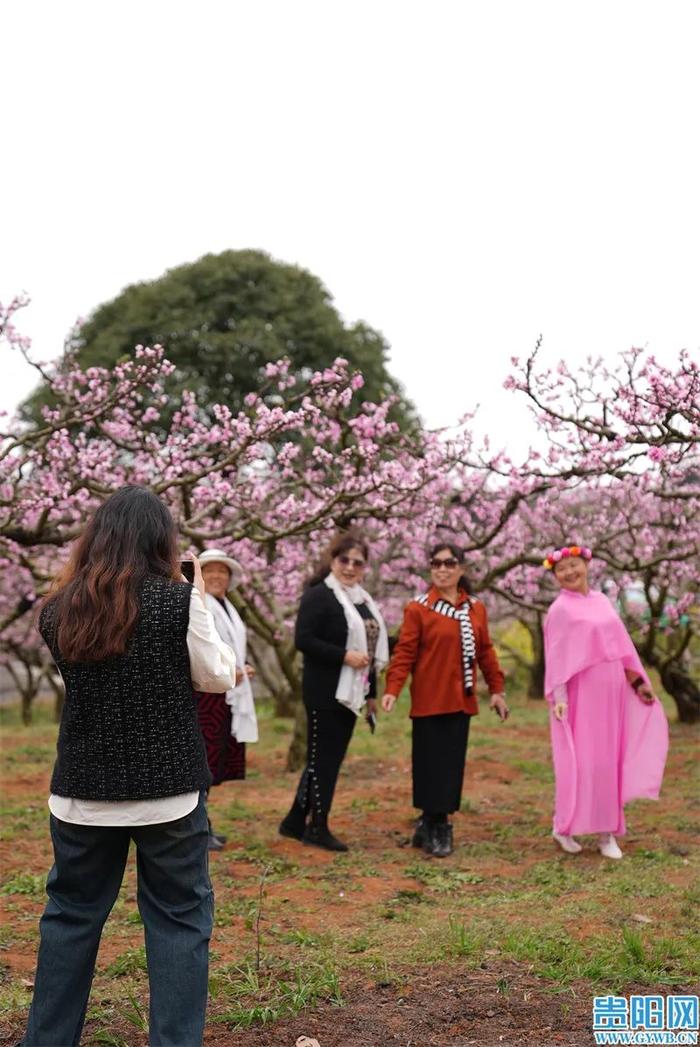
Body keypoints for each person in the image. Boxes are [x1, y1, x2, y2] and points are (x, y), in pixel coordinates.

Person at [21, 486, 236, 1047]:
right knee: (179, 922)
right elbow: (217, 675)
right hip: (168, 793)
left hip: (83, 792)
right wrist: (193, 597)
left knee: (70, 919)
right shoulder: (180, 601)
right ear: (160, 542)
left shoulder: (58, 610)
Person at [381, 542, 509, 857]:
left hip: (461, 700)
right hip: (428, 699)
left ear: (461, 569)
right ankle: (434, 823)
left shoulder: (476, 608)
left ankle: (434, 823)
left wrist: (496, 689)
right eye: (436, 564)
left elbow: (485, 651)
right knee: (428, 765)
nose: (442, 569)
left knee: (451, 765)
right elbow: (405, 652)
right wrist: (392, 689)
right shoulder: (418, 608)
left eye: (449, 563)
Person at [542, 544, 669, 859]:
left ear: (586, 565)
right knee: (581, 761)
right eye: (562, 570)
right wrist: (559, 697)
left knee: (609, 760)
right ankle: (564, 826)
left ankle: (606, 832)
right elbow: (556, 656)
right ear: (555, 576)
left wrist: (637, 681)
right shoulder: (559, 609)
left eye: (575, 566)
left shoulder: (602, 601)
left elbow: (621, 646)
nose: (570, 573)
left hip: (611, 690)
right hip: (579, 692)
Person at [279, 532, 389, 852]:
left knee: (325, 760)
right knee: (323, 762)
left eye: (358, 562)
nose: (350, 567)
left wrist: (371, 694)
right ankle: (317, 827)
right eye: (344, 560)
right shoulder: (320, 595)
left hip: (353, 693)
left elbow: (369, 649)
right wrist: (344, 656)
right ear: (332, 560)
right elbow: (304, 640)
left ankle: (295, 821)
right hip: (325, 692)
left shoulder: (362, 600)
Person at [194, 548, 258, 851]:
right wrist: (230, 671)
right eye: (210, 570)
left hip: (225, 694)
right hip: (206, 695)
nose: (217, 576)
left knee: (212, 760)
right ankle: (197, 827)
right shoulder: (199, 605)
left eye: (223, 571)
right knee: (202, 760)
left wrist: (240, 669)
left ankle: (203, 823)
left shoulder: (226, 606)